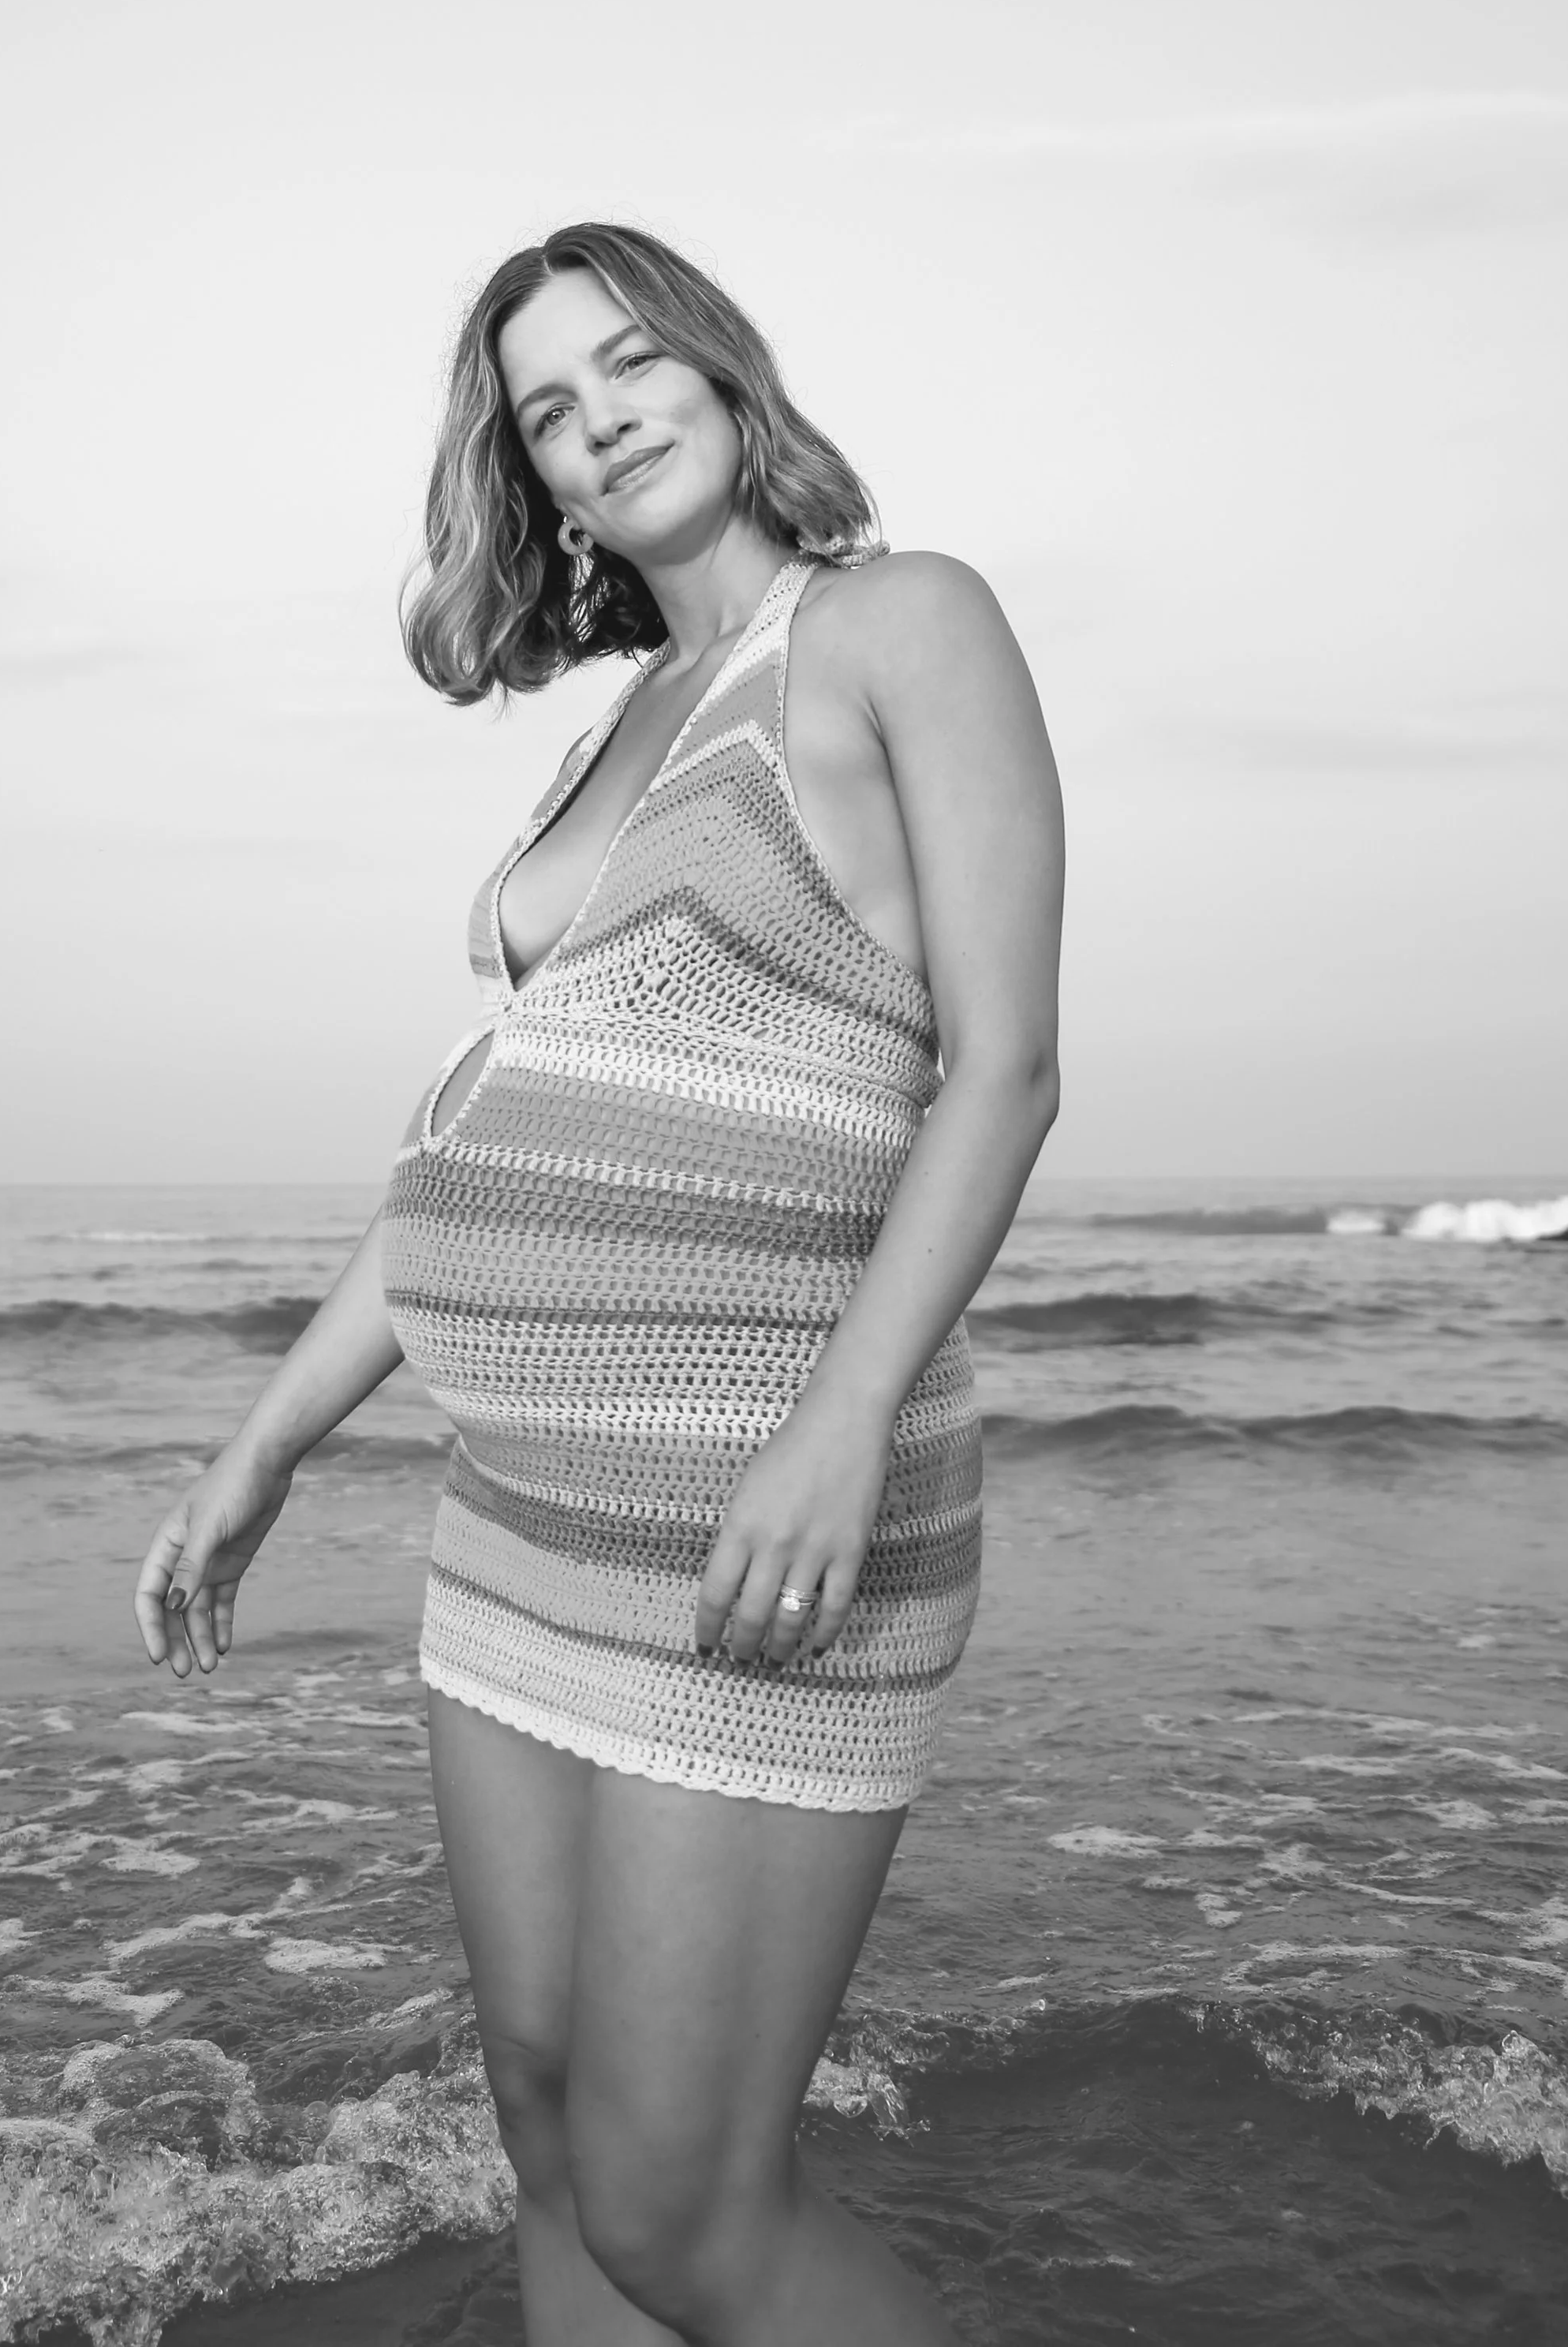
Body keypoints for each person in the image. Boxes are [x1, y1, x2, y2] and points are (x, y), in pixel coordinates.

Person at [133, 222, 1064, 2345]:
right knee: (545, 2121)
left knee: (679, 2202)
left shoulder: (896, 625)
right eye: (549, 406)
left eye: (632, 362)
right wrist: (265, 1442)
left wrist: (842, 1419)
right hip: (516, 1526)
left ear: (730, 378)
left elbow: (1000, 1064)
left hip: (764, 1513)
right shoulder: (614, 723)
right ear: (535, 479)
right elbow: (470, 1145)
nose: (601, 417)